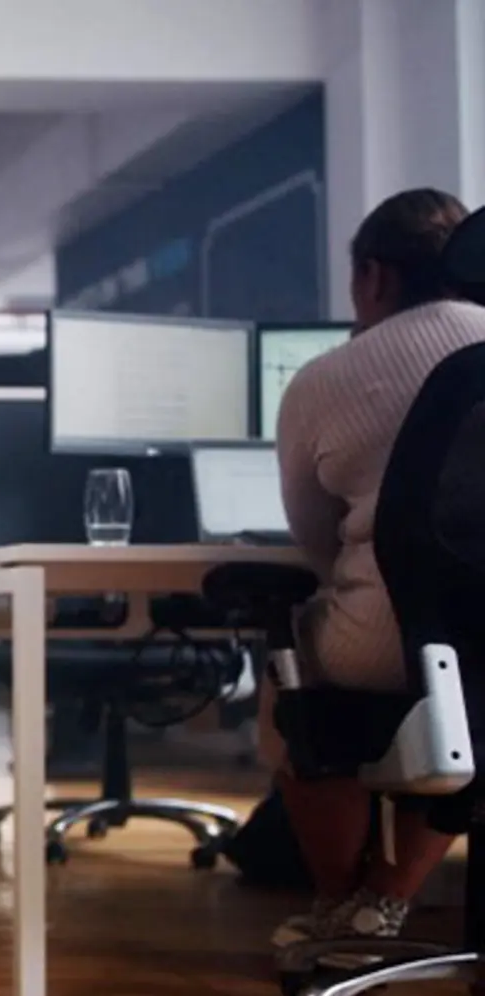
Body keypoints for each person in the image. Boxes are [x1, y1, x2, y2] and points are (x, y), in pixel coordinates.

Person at [267, 188, 485, 952]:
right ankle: (388, 898)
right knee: (471, 692)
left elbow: (315, 543)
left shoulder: (326, 379)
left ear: (373, 276)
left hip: (390, 644)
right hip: (482, 657)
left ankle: (343, 903)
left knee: (290, 668)